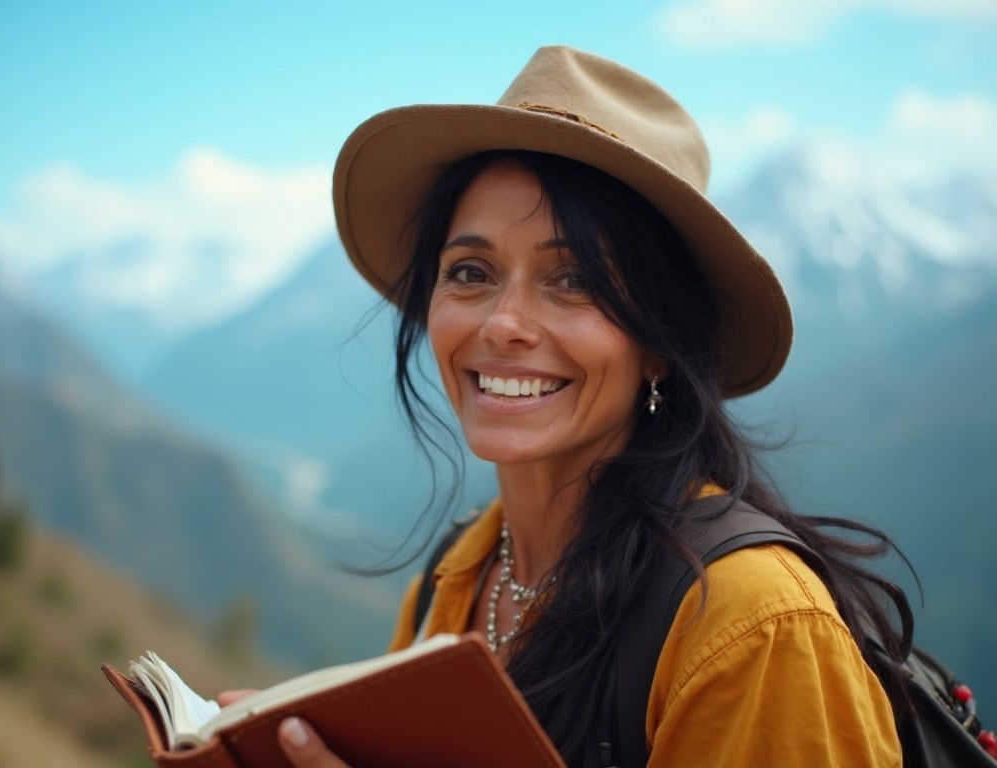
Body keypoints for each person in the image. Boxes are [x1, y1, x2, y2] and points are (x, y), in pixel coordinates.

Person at [223, 46, 910, 767]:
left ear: (661, 344)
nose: (502, 323)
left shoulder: (752, 624)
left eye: (573, 279)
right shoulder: (461, 571)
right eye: (470, 272)